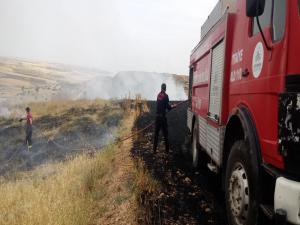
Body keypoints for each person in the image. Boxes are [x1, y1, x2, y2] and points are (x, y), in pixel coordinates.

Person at [153, 83, 175, 154]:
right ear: (165, 88)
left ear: (161, 88)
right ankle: (167, 151)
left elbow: (160, 105)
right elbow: (168, 107)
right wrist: (173, 106)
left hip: (157, 117)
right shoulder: (166, 96)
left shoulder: (158, 95)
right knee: (165, 134)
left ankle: (154, 150)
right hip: (162, 118)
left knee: (156, 134)